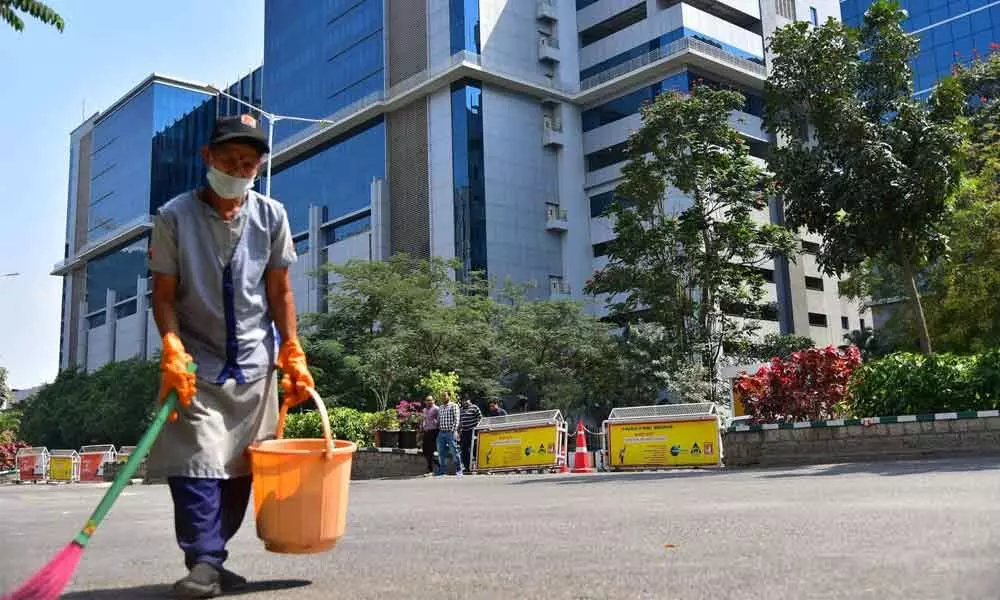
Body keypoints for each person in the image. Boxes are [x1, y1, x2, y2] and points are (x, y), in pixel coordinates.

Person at [146, 114, 315, 598]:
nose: (238, 170)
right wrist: (172, 347)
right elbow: (163, 294)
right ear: (207, 158)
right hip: (195, 363)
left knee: (242, 466)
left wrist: (292, 348)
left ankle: (213, 558)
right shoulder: (173, 217)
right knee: (198, 459)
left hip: (255, 363)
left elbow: (280, 291)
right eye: (229, 161)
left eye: (248, 163)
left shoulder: (272, 216)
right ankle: (203, 559)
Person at [435, 392, 462, 477]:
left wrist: (453, 430)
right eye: (442, 396)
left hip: (451, 432)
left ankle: (459, 470)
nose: (443, 397)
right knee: (441, 452)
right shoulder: (441, 407)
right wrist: (438, 428)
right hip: (441, 432)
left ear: (449, 396)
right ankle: (442, 470)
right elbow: (439, 419)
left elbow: (457, 419)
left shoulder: (454, 405)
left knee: (454, 451)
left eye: (444, 396)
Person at [459, 396, 483, 471]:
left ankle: (480, 466)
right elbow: (460, 422)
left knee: (475, 449)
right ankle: (467, 467)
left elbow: (480, 418)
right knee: (464, 450)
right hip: (464, 432)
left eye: (466, 400)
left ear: (469, 400)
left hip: (473, 431)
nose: (465, 402)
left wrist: (478, 428)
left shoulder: (474, 407)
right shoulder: (461, 410)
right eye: (463, 401)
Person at [421, 395, 439, 474]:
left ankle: (431, 469)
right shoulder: (424, 410)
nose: (429, 401)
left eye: (430, 400)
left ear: (433, 401)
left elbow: (439, 420)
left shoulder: (436, 409)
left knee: (431, 450)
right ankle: (435, 462)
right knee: (425, 450)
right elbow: (423, 420)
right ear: (425, 401)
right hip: (426, 431)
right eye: (427, 400)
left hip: (434, 431)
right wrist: (422, 427)